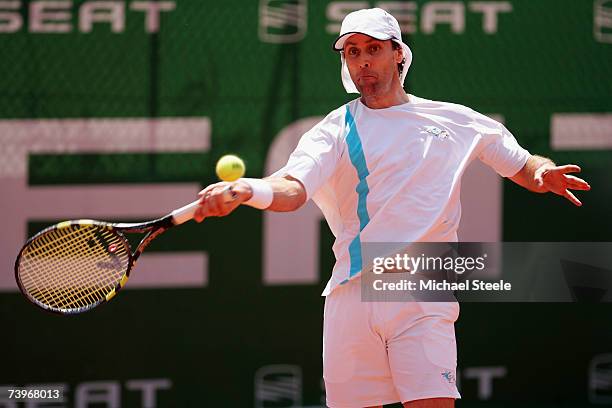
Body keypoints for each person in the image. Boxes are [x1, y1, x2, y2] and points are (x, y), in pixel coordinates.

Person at [194, 8, 591, 408]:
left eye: (373, 48)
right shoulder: (334, 130)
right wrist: (248, 189)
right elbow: (293, 190)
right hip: (353, 293)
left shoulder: (457, 121)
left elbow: (521, 164)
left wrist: (543, 174)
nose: (362, 60)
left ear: (398, 53)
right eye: (352, 51)